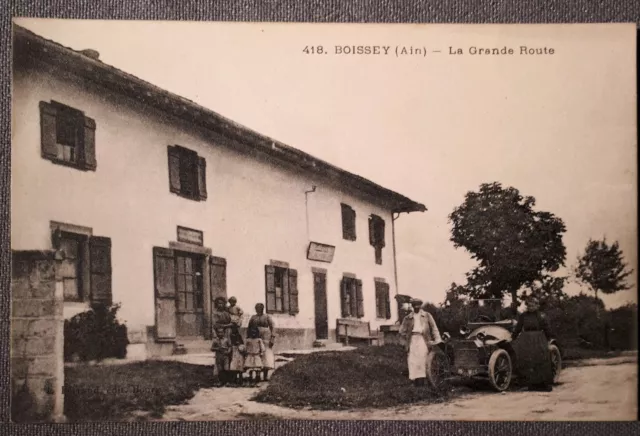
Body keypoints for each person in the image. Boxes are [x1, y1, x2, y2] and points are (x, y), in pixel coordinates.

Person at [512, 296, 554, 391]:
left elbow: (547, 328)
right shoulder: (523, 316)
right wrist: (513, 337)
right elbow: (518, 328)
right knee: (526, 360)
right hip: (526, 339)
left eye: (532, 305)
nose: (530, 307)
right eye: (528, 306)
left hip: (539, 338)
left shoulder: (541, 316)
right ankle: (529, 385)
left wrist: (549, 338)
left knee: (541, 359)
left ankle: (544, 385)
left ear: (537, 306)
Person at [399, 298, 443, 386]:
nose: (416, 307)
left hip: (423, 339)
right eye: (414, 305)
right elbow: (401, 331)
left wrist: (437, 340)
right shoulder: (408, 318)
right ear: (412, 306)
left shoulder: (427, 315)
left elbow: (434, 328)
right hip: (412, 340)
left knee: (423, 359)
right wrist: (403, 342)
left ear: (420, 305)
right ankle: (415, 382)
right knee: (412, 360)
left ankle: (422, 382)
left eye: (418, 305)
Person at [248, 303, 276, 381]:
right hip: (255, 336)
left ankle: (265, 375)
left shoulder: (267, 317)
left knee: (265, 355)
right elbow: (249, 328)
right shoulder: (253, 317)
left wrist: (272, 338)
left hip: (266, 337)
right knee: (257, 355)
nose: (258, 309)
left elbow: (273, 326)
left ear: (263, 308)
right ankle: (257, 375)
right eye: (257, 308)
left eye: (260, 308)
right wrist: (249, 338)